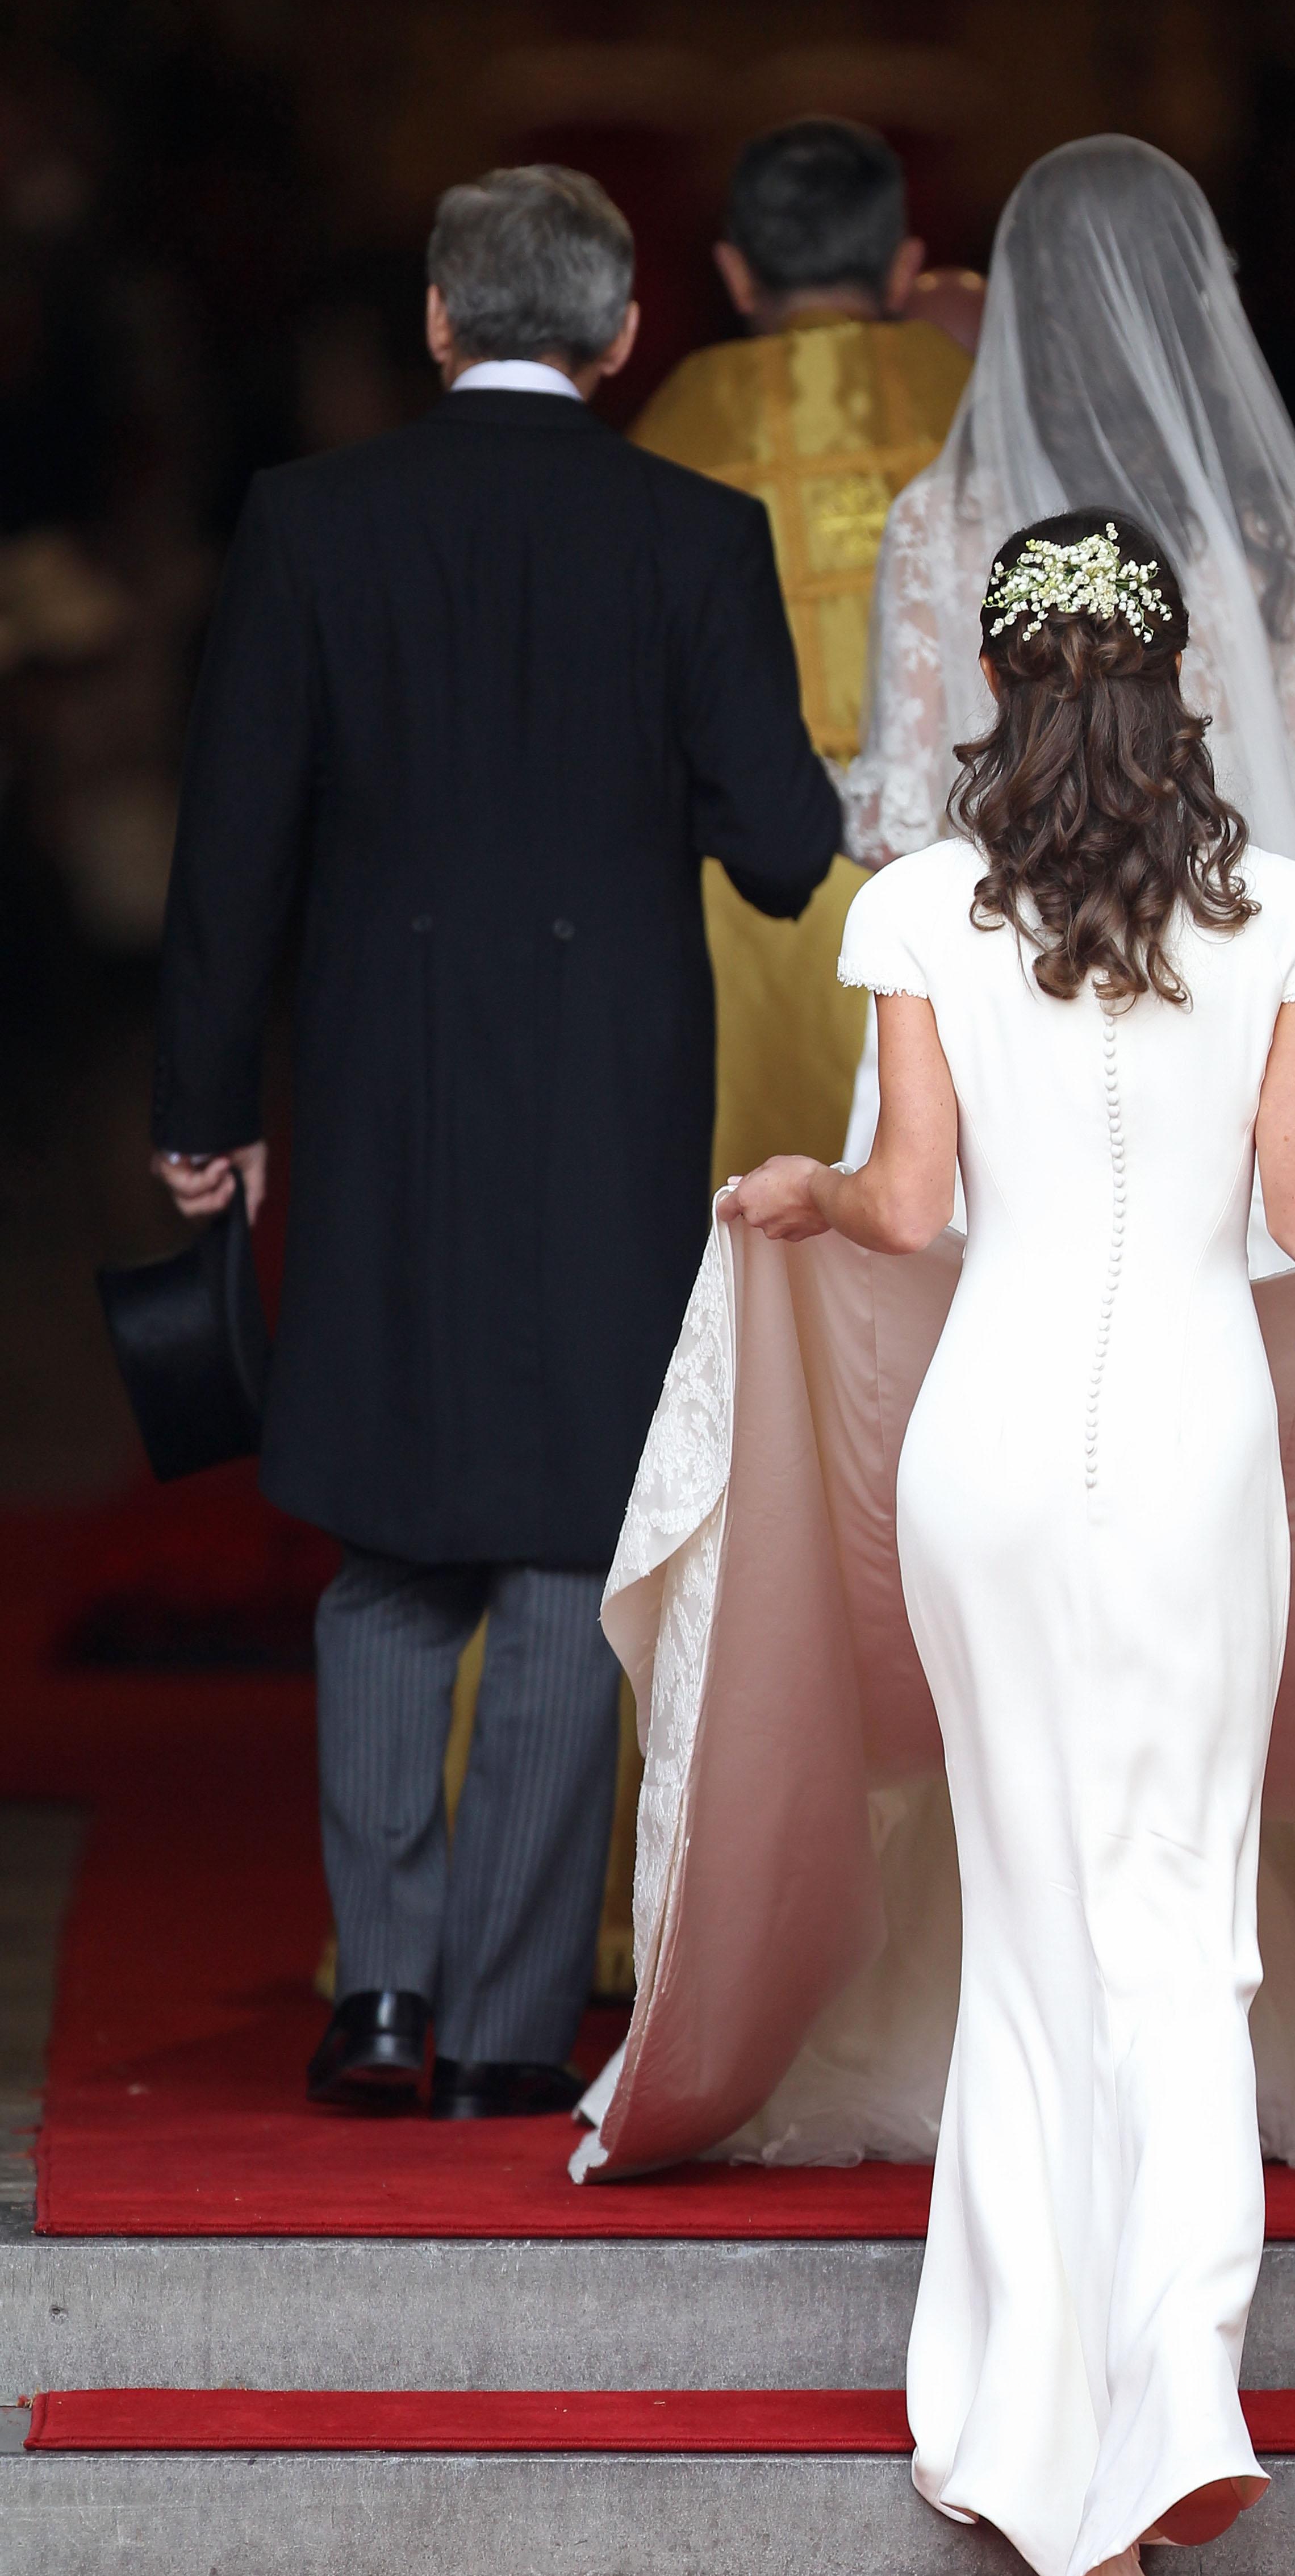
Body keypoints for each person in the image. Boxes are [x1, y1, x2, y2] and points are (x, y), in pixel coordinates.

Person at [709, 512, 1295, 2576]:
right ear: (1181, 688)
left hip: (982, 1461)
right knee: (1177, 1922)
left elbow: (900, 1207)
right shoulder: (1278, 912)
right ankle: (1155, 2420)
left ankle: (1034, 2432)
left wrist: (796, 1183)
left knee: (1035, 1912)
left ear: (993, 679)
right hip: (1186, 1448)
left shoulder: (913, 909)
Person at [151, 164, 839, 2120]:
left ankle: (377, 1996)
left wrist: (204, 1118)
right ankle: (516, 2024)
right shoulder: (694, 534)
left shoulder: (309, 520)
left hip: (378, 1083)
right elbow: (784, 847)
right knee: (558, 1541)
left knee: (384, 1536)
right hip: (607, 1095)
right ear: (624, 340)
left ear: (441, 323)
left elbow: (232, 850)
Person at [842, 136, 1295, 1248]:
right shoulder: (1268, 540)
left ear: (1023, 309)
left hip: (1000, 1032)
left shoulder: (938, 524)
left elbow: (900, 830)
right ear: (1198, 306)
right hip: (1239, 1024)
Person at [630, 118, 972, 1179]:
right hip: (964, 878)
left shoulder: (674, 429)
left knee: (762, 1225)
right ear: (908, 266)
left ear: (735, 272)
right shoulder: (980, 405)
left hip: (741, 900)